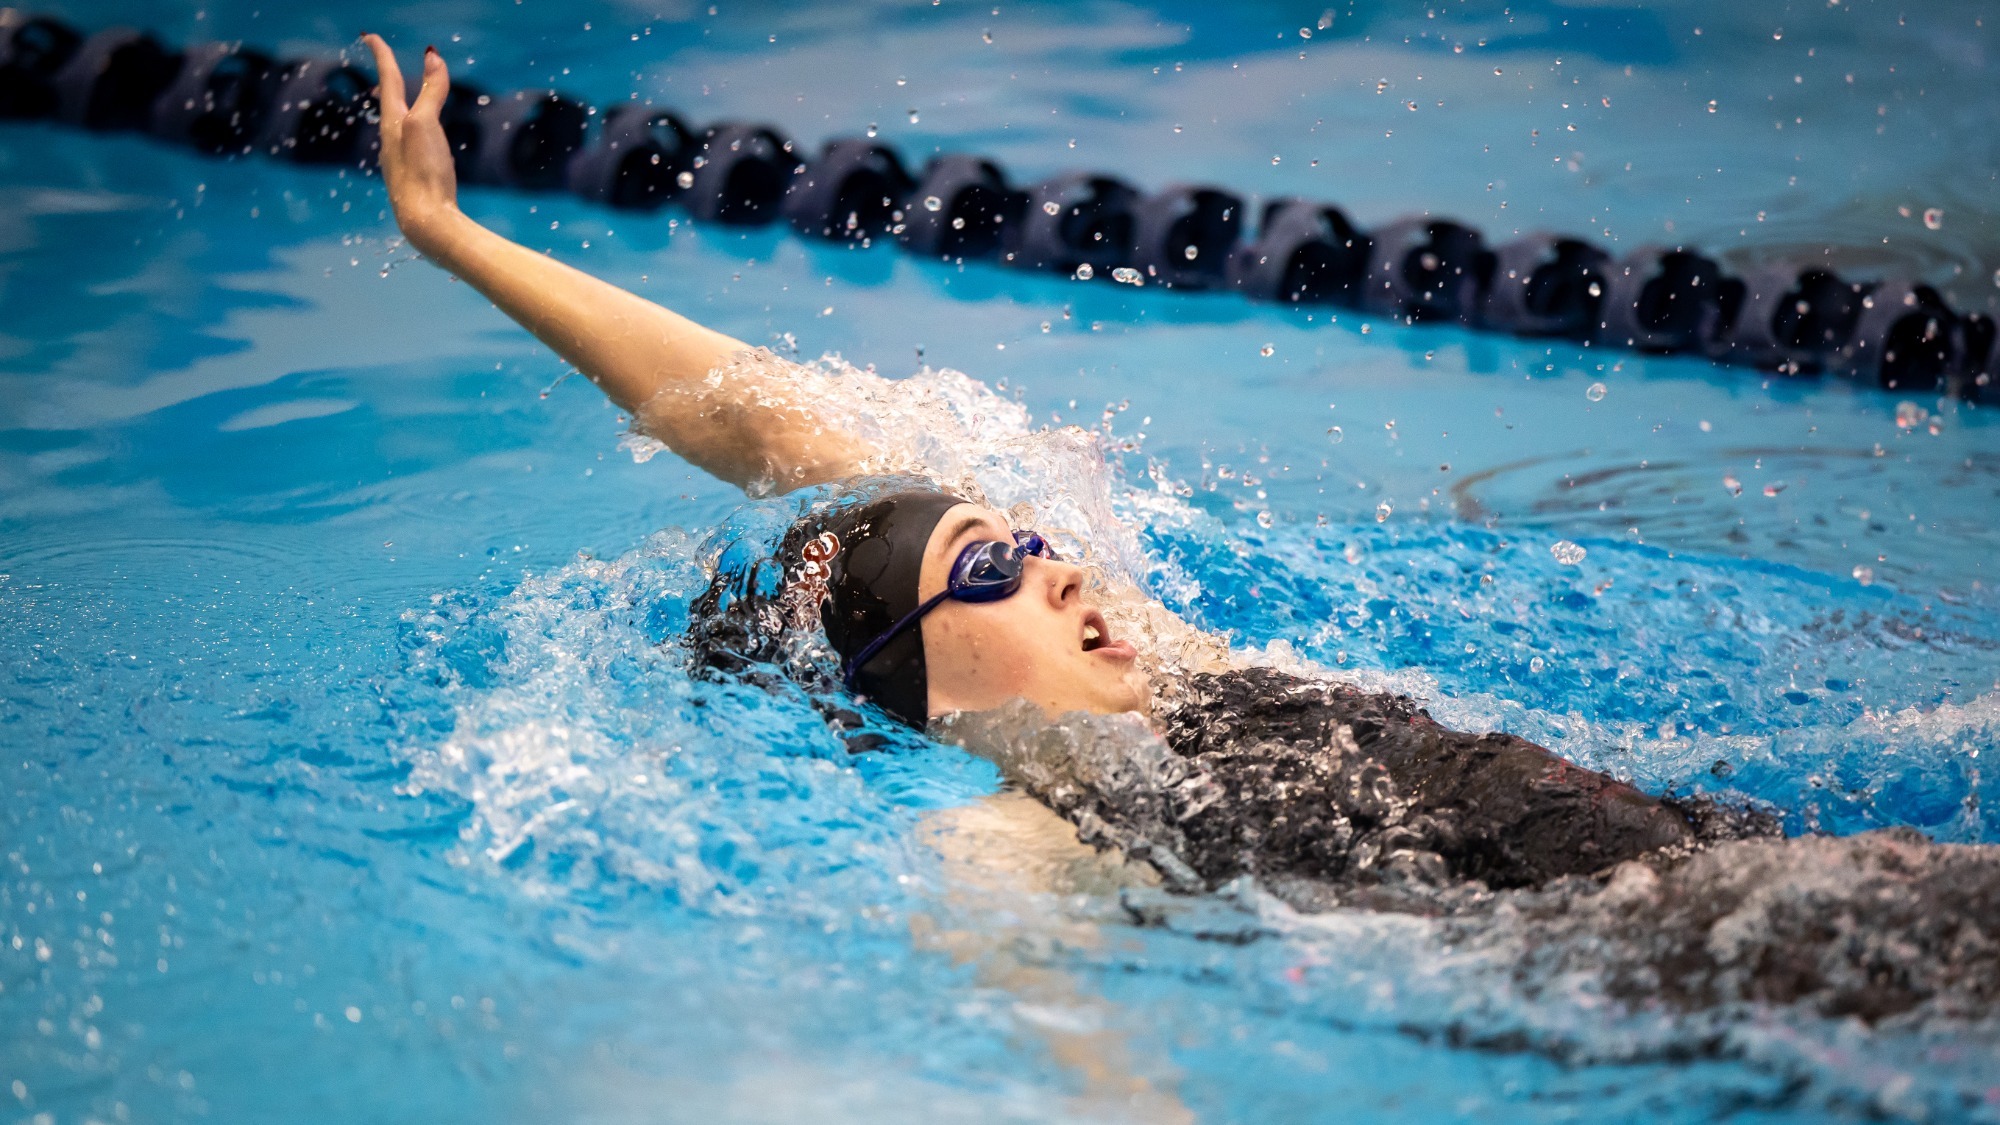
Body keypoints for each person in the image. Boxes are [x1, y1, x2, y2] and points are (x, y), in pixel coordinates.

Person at [360, 38, 2000, 1024]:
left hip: (1717, 850)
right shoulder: (1029, 832)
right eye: (986, 571)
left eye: (1023, 535)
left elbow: (761, 420)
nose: (1055, 560)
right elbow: (1079, 1055)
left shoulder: (1173, 667)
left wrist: (459, 239)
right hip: (1665, 966)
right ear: (922, 689)